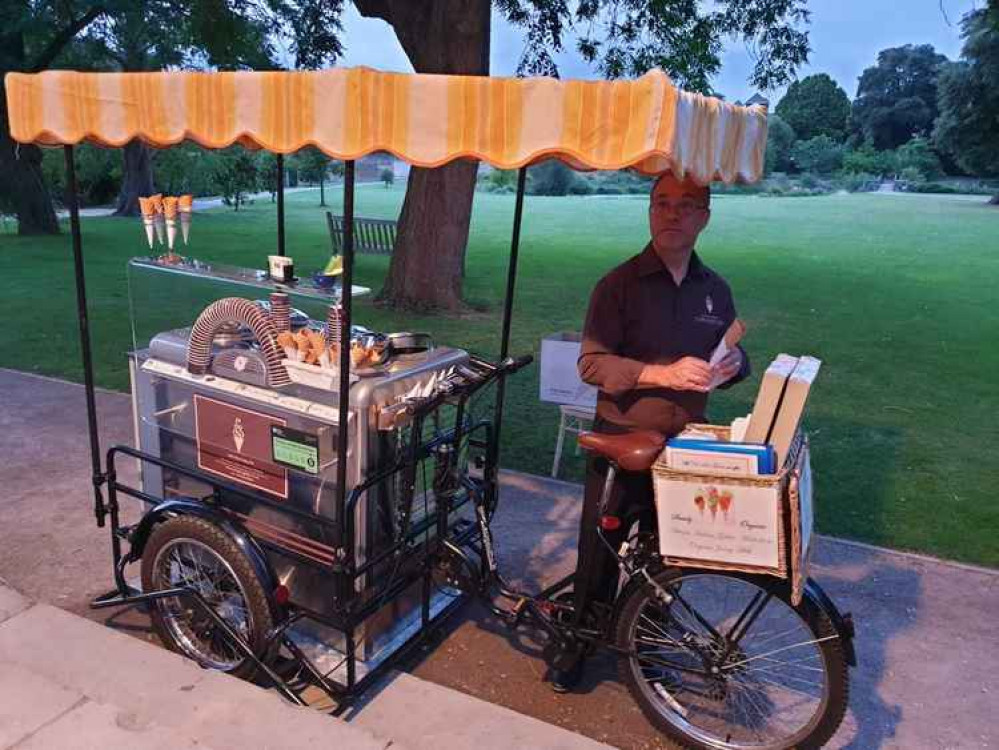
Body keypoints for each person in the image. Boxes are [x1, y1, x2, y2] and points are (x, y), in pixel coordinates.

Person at [549, 172, 750, 692]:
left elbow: (731, 352)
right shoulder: (618, 285)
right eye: (661, 203)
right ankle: (578, 644)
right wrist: (660, 374)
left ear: (705, 217)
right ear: (649, 212)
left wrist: (733, 365)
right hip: (622, 439)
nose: (671, 214)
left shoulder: (716, 290)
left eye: (685, 205)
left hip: (684, 446)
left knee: (667, 556)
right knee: (600, 552)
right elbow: (591, 364)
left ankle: (649, 645)